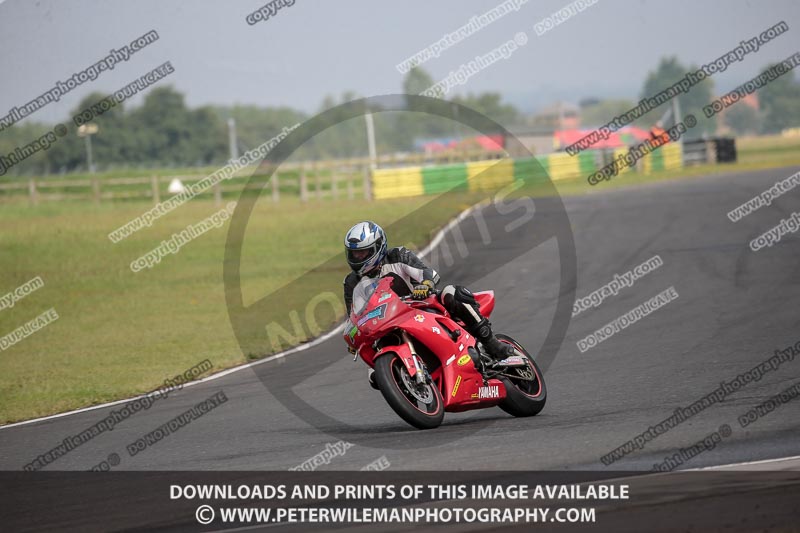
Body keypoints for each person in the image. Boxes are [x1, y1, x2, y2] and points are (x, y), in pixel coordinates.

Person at [342, 221, 514, 387]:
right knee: (375, 377)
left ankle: (491, 343)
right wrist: (353, 339)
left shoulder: (398, 256)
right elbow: (354, 315)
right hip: (384, 325)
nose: (358, 258)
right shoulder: (351, 282)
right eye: (354, 254)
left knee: (452, 293)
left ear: (378, 246)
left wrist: (425, 285)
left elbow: (427, 273)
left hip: (420, 306)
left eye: (363, 253)